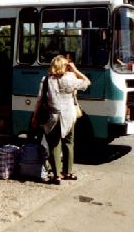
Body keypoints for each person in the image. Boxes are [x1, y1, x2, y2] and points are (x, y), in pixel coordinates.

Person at [31, 55, 90, 184]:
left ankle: (57, 175)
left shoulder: (46, 80)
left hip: (52, 117)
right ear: (65, 66)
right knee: (69, 143)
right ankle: (68, 172)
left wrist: (35, 117)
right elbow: (87, 82)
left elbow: (40, 100)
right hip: (69, 116)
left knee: (54, 145)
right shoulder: (70, 78)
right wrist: (74, 69)